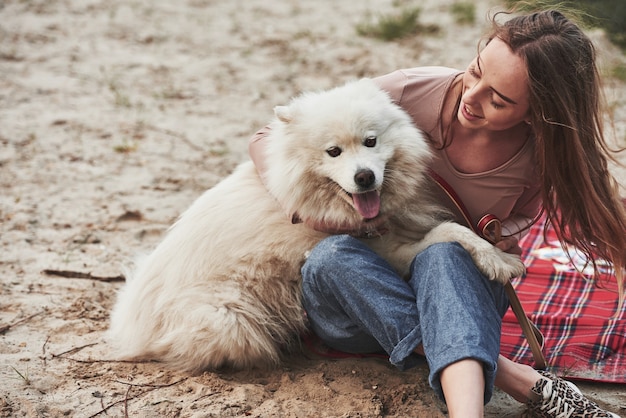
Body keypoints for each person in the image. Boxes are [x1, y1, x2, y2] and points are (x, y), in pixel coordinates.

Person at [249, 9, 625, 418]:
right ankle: (515, 377)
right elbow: (272, 135)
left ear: (536, 112)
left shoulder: (540, 155)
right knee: (328, 258)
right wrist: (301, 208)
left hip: (455, 291)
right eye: (475, 72)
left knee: (444, 252)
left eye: (497, 100)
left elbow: (527, 216)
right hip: (357, 304)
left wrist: (500, 233)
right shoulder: (412, 89)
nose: (472, 97)